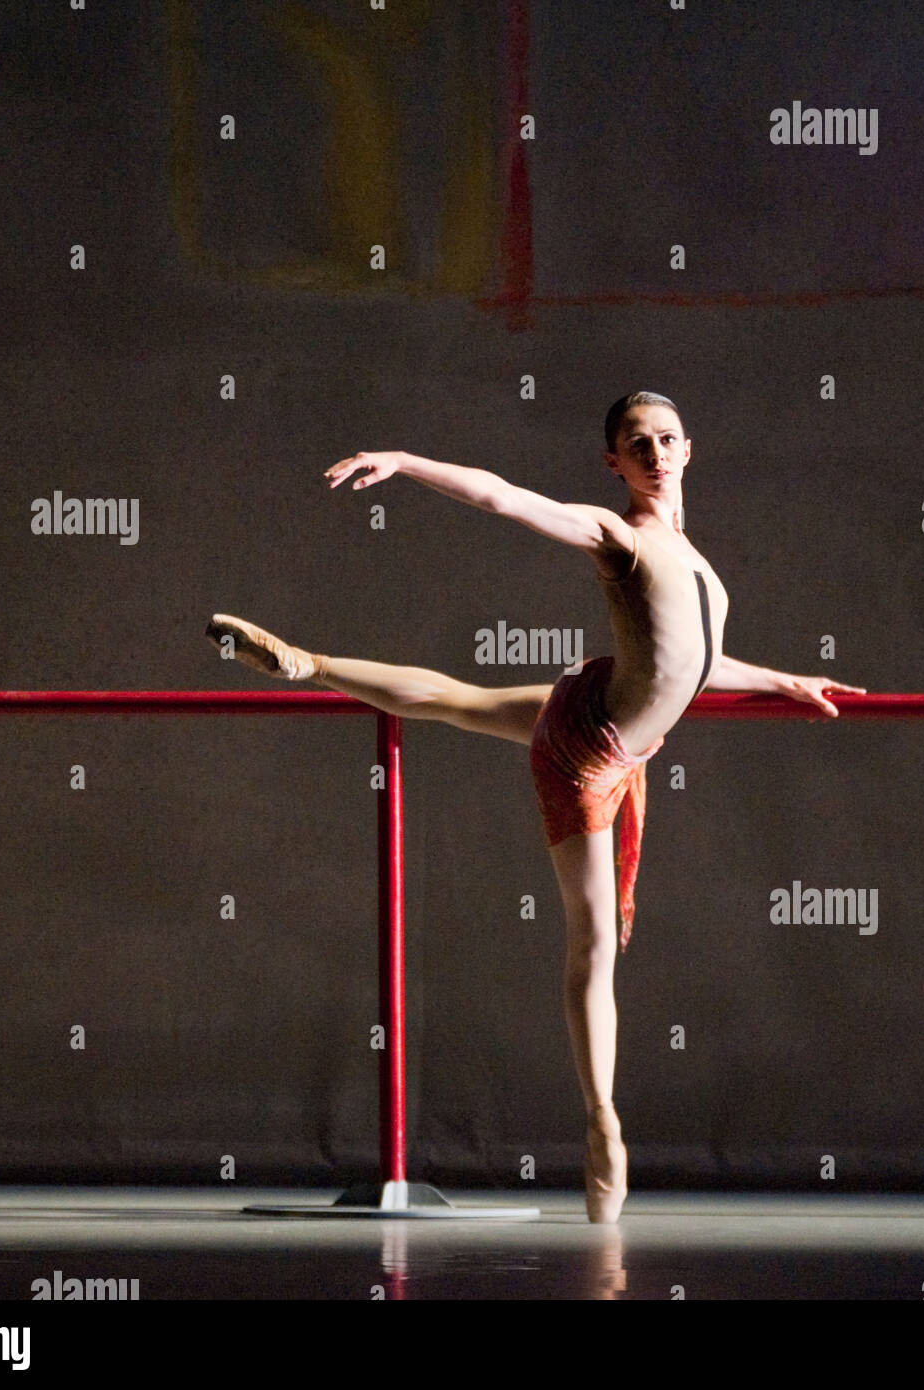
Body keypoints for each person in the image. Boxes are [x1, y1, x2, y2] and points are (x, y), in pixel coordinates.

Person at [206, 391, 865, 1222]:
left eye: (666, 439)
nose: (655, 453)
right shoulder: (616, 534)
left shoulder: (695, 563)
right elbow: (502, 495)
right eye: (637, 444)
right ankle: (602, 1122)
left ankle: (309, 661)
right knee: (591, 941)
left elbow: (695, 659)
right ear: (613, 463)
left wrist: (784, 680)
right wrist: (405, 463)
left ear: (689, 449)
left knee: (458, 701)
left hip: (602, 718)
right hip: (587, 753)